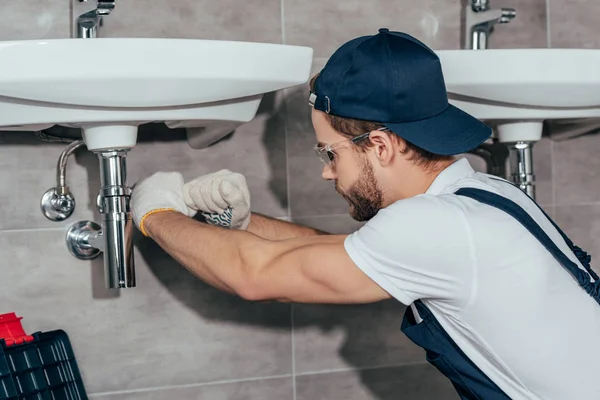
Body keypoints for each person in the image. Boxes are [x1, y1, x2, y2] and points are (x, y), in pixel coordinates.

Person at [130, 29, 600, 400]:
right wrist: (242, 225)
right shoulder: (482, 193)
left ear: (379, 144)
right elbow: (337, 251)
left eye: (330, 154)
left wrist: (155, 212)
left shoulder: (435, 225)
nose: (327, 174)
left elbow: (256, 276)